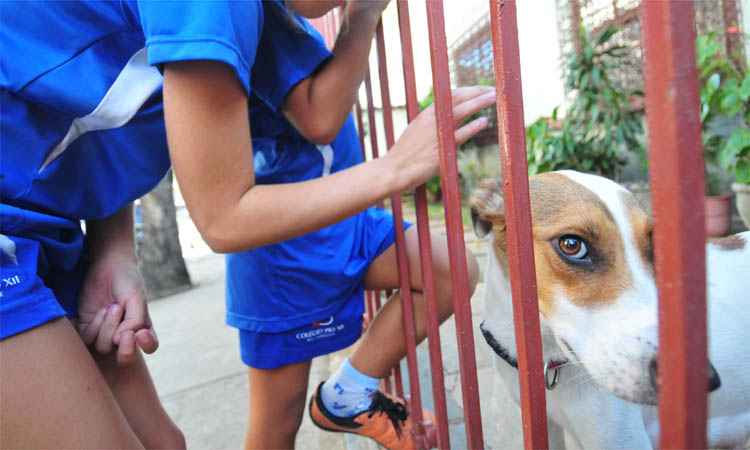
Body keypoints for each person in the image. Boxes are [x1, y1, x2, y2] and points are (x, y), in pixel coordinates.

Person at [0, 0, 496, 449]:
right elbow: (221, 217)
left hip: (47, 224)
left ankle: (345, 396)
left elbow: (101, 119)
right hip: (269, 250)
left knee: (165, 445)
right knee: (274, 424)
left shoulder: (264, 13)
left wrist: (113, 247)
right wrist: (396, 167)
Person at [227, 2, 488, 449]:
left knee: (452, 268)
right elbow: (319, 118)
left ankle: (345, 394)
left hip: (349, 221)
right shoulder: (248, 15)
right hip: (284, 255)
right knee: (276, 425)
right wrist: (363, 15)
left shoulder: (291, 24)